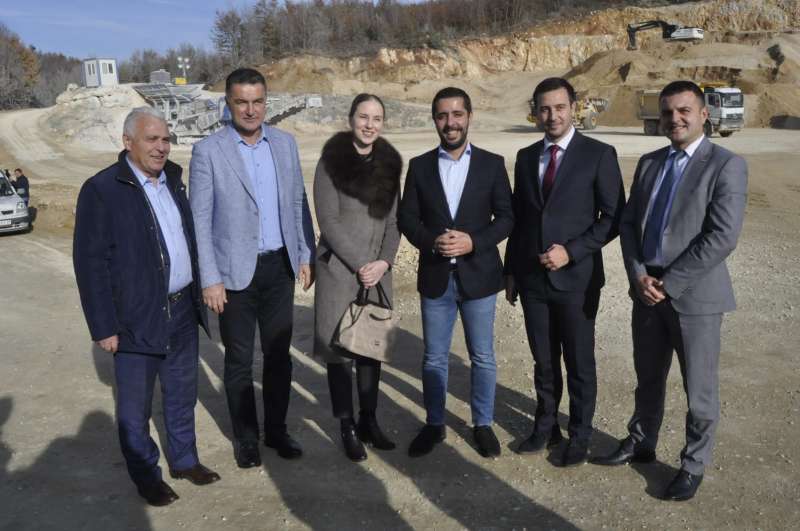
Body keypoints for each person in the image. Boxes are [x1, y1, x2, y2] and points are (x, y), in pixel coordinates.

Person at [590, 80, 748, 501]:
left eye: (683, 111)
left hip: (694, 296)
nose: (674, 119)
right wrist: (638, 275)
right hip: (647, 293)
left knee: (699, 388)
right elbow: (629, 225)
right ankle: (642, 442)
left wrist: (670, 282)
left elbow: (722, 236)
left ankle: (693, 464)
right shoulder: (650, 163)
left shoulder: (725, 165)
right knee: (648, 377)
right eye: (667, 112)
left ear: (704, 115)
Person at [73, 106, 219, 507]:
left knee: (181, 394)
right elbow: (90, 263)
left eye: (166, 139)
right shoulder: (102, 189)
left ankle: (185, 460)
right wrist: (103, 326)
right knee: (134, 410)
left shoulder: (173, 178)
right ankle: (146, 476)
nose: (161, 147)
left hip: (182, 310)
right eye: (151, 139)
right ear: (128, 142)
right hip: (135, 318)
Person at [189, 68, 316, 468]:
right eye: (241, 102)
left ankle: (276, 430)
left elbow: (296, 202)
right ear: (228, 104)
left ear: (266, 102)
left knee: (279, 356)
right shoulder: (208, 151)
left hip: (279, 268)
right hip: (233, 275)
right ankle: (246, 439)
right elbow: (200, 220)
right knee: (239, 360)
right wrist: (210, 278)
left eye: (257, 101)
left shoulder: (285, 144)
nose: (250, 109)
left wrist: (304, 254)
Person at [504, 77, 625, 467]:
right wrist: (511, 271)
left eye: (559, 107)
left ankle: (580, 434)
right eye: (544, 108)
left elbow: (613, 218)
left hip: (577, 281)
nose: (552, 115)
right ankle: (546, 427)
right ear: (535, 112)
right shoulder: (526, 157)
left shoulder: (599, 154)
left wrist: (570, 252)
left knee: (578, 362)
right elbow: (521, 219)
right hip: (532, 280)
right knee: (543, 361)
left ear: (574, 107)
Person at [398, 87, 514, 458]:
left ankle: (482, 424)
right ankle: (434, 424)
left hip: (479, 277)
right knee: (434, 357)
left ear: (469, 117)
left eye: (457, 114)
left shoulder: (492, 164)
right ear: (435, 120)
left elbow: (507, 217)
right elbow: (407, 219)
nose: (451, 123)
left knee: (483, 356)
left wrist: (473, 242)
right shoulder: (419, 166)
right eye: (443, 115)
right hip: (436, 279)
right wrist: (432, 242)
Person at [313, 94, 403, 461]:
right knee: (338, 352)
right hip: (339, 270)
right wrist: (362, 263)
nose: (369, 124)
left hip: (377, 273)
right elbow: (329, 221)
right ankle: (346, 424)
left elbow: (394, 222)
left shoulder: (390, 165)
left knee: (370, 347)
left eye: (376, 118)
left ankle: (369, 420)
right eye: (363, 117)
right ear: (351, 119)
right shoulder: (329, 163)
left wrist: (383, 262)